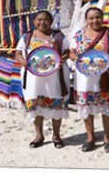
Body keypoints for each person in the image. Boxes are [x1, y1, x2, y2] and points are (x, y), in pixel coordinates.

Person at [69, 7, 109, 153]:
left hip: (105, 77)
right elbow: (72, 53)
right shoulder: (79, 36)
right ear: (86, 20)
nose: (95, 20)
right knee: (87, 106)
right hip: (85, 78)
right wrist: (76, 58)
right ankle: (90, 138)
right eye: (91, 18)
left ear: (102, 18)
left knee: (107, 108)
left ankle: (107, 138)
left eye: (98, 17)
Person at [15, 10, 70, 149]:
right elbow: (18, 53)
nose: (42, 22)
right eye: (39, 19)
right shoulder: (27, 37)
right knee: (35, 104)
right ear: (34, 22)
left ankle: (56, 135)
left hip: (55, 77)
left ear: (51, 22)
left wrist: (60, 59)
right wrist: (23, 62)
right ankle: (39, 135)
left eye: (46, 20)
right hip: (34, 78)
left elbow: (67, 52)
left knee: (56, 102)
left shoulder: (58, 36)